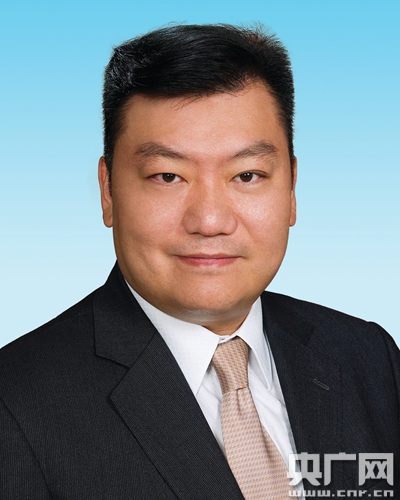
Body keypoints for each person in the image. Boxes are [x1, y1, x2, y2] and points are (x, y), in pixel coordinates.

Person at [0, 24, 398, 499]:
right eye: (168, 176)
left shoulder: (367, 356)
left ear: (292, 188)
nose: (210, 221)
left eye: (247, 175)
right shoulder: (16, 403)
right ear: (107, 191)